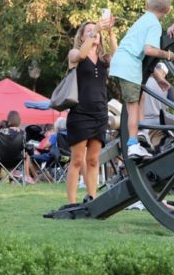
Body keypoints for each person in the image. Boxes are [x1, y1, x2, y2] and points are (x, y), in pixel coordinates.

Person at [109, 0, 174, 161]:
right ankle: (132, 145)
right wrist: (167, 54)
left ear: (146, 5)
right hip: (129, 65)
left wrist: (157, 74)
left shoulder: (144, 19)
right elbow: (149, 50)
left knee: (141, 97)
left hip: (125, 63)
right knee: (132, 107)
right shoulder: (154, 24)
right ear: (168, 10)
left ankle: (142, 132)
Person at [64, 16, 116, 207]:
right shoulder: (75, 53)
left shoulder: (104, 59)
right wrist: (95, 31)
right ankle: (71, 202)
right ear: (82, 36)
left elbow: (116, 56)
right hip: (80, 113)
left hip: (100, 112)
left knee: (93, 160)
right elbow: (82, 56)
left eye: (96, 31)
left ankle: (92, 198)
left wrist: (110, 32)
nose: (94, 34)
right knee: (77, 160)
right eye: (89, 31)